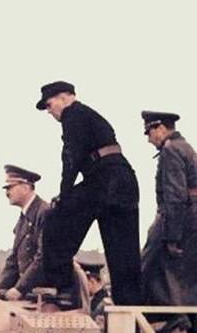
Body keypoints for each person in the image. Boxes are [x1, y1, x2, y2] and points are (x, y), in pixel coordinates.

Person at [36, 81, 143, 305]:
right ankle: (130, 309)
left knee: (55, 219)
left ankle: (62, 289)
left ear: (64, 97)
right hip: (125, 180)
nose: (49, 111)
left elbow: (71, 156)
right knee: (123, 254)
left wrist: (64, 194)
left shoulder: (72, 114)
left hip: (104, 180)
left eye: (49, 105)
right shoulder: (91, 116)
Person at [138, 111, 197, 333]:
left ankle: (174, 316)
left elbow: (175, 196)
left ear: (160, 128)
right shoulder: (185, 147)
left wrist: (172, 237)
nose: (148, 138)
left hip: (179, 221)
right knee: (190, 284)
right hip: (191, 222)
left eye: (149, 132)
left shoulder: (171, 150)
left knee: (149, 268)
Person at [0, 165, 51, 301]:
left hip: (46, 296)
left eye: (10, 187)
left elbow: (43, 257)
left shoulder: (45, 212)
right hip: (31, 293)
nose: (7, 193)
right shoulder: (24, 219)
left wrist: (20, 289)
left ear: (26, 187)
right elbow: (13, 261)